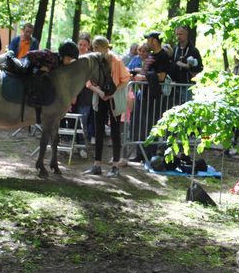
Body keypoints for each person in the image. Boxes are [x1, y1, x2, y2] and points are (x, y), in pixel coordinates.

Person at [84, 35, 130, 177]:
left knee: (115, 132)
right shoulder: (94, 60)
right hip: (100, 97)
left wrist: (112, 93)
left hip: (113, 99)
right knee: (99, 131)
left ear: (105, 47)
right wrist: (100, 92)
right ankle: (96, 165)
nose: (94, 50)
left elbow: (126, 79)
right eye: (93, 48)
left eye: (96, 47)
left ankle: (115, 166)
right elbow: (89, 82)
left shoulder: (116, 61)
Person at [129, 31, 172, 162]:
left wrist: (143, 76)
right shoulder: (152, 55)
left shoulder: (163, 56)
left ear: (154, 40)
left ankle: (149, 156)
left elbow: (161, 76)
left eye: (148, 40)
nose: (147, 42)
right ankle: (140, 154)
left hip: (154, 97)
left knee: (150, 125)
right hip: (144, 93)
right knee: (141, 124)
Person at [168, 25, 203, 103]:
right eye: (177, 34)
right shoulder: (175, 50)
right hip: (175, 86)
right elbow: (171, 64)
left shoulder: (193, 50)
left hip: (188, 85)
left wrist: (186, 66)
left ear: (186, 35)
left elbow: (199, 67)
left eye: (180, 34)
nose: (178, 36)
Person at [73, 32, 95, 145]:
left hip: (85, 94)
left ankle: (81, 144)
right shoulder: (73, 57)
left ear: (89, 46)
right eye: (80, 44)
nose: (82, 47)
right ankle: (72, 142)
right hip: (72, 93)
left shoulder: (91, 59)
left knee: (82, 120)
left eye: (85, 45)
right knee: (72, 120)